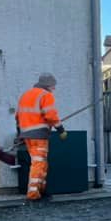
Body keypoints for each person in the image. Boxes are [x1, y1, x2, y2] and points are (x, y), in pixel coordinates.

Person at [16, 73, 67, 201]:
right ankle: (33, 194)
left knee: (41, 162)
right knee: (38, 163)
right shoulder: (46, 95)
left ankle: (41, 190)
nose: (54, 89)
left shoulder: (26, 95)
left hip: (27, 135)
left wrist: (20, 134)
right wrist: (61, 129)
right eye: (53, 86)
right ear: (48, 85)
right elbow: (50, 115)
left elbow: (18, 116)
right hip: (39, 135)